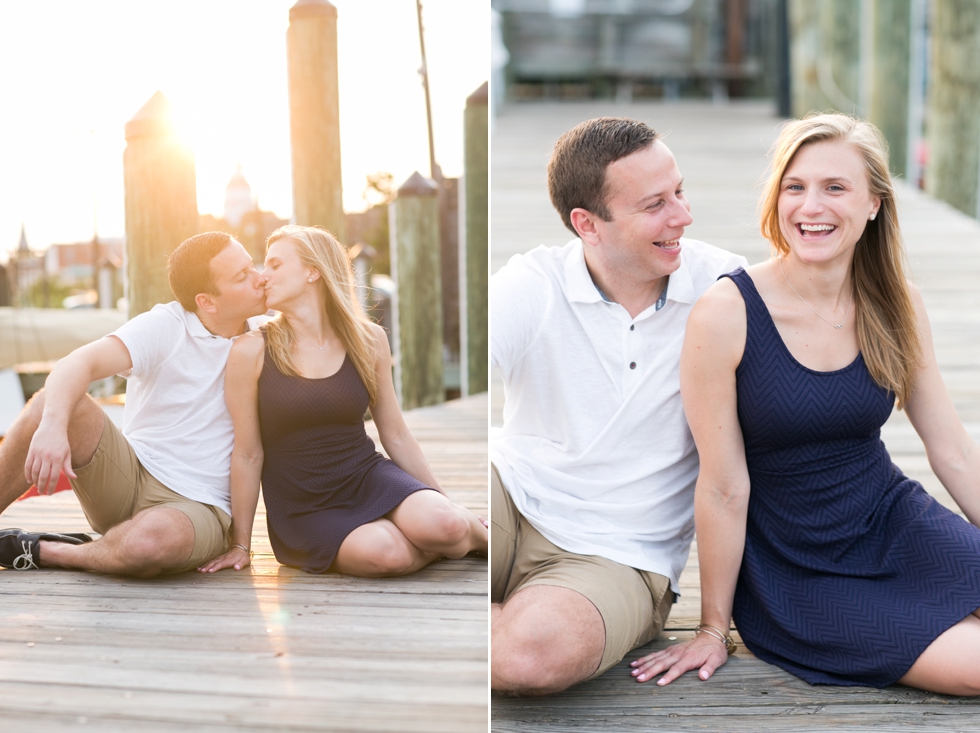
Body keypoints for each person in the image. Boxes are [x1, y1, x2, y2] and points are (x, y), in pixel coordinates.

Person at [632, 114, 980, 695]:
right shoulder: (727, 312)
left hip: (894, 522)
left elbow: (953, 451)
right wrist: (714, 627)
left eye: (835, 187)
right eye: (795, 187)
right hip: (796, 568)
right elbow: (722, 485)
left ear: (873, 203)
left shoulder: (898, 302)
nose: (809, 207)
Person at [490, 117, 747, 695]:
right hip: (510, 494)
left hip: (619, 549)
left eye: (679, 191)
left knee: (528, 660)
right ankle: (514, 610)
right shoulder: (534, 282)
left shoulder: (725, 289)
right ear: (587, 224)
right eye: (655, 204)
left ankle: (517, 617)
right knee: (405, 525)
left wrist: (714, 626)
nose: (682, 216)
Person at [198, 225, 487, 577]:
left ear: (312, 271)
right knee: (387, 553)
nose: (261, 276)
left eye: (274, 265)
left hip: (368, 477)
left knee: (447, 526)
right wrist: (240, 543)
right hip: (305, 507)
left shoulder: (369, 340)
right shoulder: (250, 350)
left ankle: (476, 533)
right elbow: (247, 452)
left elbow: (395, 434)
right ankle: (433, 541)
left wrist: (446, 505)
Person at [0, 232, 267, 576]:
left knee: (149, 543)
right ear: (207, 301)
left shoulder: (269, 335)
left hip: (198, 506)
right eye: (243, 276)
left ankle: (52, 551)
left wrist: (241, 543)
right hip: (128, 476)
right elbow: (75, 364)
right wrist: (52, 425)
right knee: (51, 403)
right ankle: (110, 546)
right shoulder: (167, 325)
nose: (260, 279)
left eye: (252, 266)